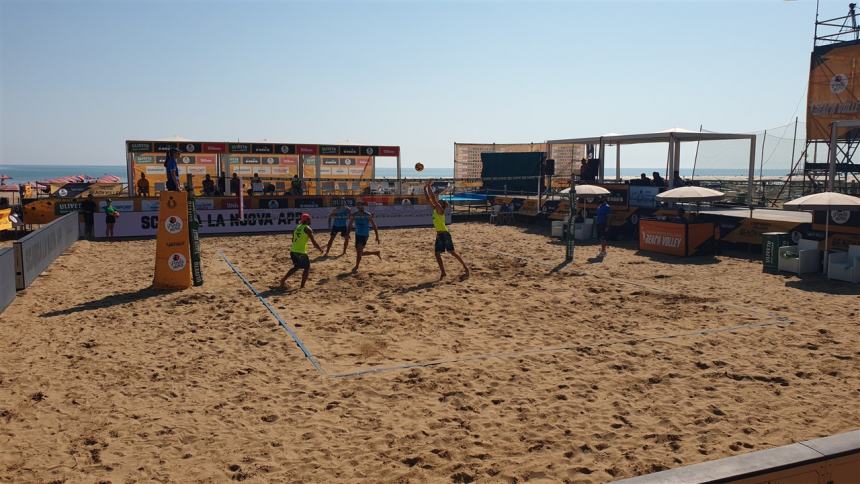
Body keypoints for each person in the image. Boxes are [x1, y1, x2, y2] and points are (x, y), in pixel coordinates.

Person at [424, 181, 469, 279]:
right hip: (439, 235)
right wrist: (425, 188)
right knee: (437, 254)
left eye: (440, 202)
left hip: (444, 234)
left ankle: (466, 268)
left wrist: (429, 187)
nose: (437, 202)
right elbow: (429, 199)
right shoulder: (436, 209)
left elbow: (433, 199)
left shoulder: (440, 209)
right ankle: (443, 272)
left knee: (452, 252)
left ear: (442, 205)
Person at [279, 213, 323, 290]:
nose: (310, 220)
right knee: (307, 267)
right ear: (306, 220)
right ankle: (302, 286)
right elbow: (313, 242)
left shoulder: (297, 227)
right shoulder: (308, 229)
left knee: (296, 267)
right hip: (300, 252)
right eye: (309, 219)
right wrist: (320, 249)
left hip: (293, 250)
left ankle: (283, 280)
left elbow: (293, 239)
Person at [348, 201, 381, 273]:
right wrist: (348, 234)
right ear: (357, 207)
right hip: (357, 234)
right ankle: (375, 253)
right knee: (360, 252)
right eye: (358, 206)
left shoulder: (367, 215)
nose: (360, 207)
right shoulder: (354, 215)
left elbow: (374, 225)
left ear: (363, 206)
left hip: (364, 234)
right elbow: (350, 225)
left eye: (361, 205)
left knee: (359, 252)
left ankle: (356, 267)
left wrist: (377, 237)